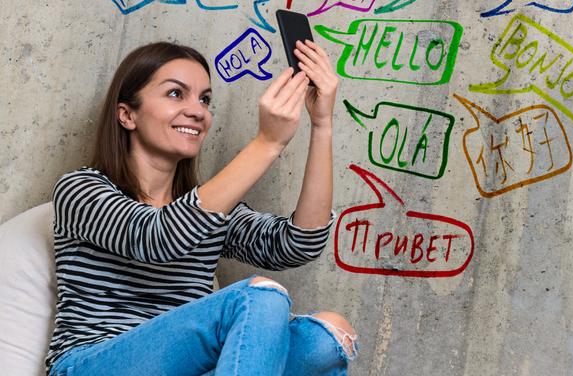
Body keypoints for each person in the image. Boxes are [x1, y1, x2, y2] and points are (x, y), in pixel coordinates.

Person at [45, 40, 358, 376]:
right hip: (92, 364)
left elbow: (299, 245)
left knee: (331, 334)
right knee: (262, 296)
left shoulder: (214, 211)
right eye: (176, 94)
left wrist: (322, 125)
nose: (198, 111)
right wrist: (267, 143)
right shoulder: (81, 190)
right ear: (127, 114)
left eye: (205, 99)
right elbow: (158, 238)